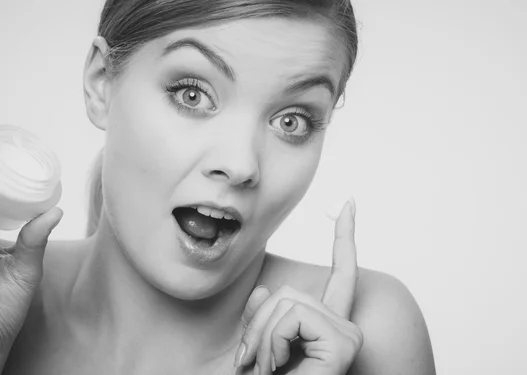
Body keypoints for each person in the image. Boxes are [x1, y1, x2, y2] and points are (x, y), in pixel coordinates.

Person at [0, 0, 435, 374]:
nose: (241, 165)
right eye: (192, 94)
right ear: (101, 83)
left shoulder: (372, 329)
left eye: (292, 121)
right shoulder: (6, 303)